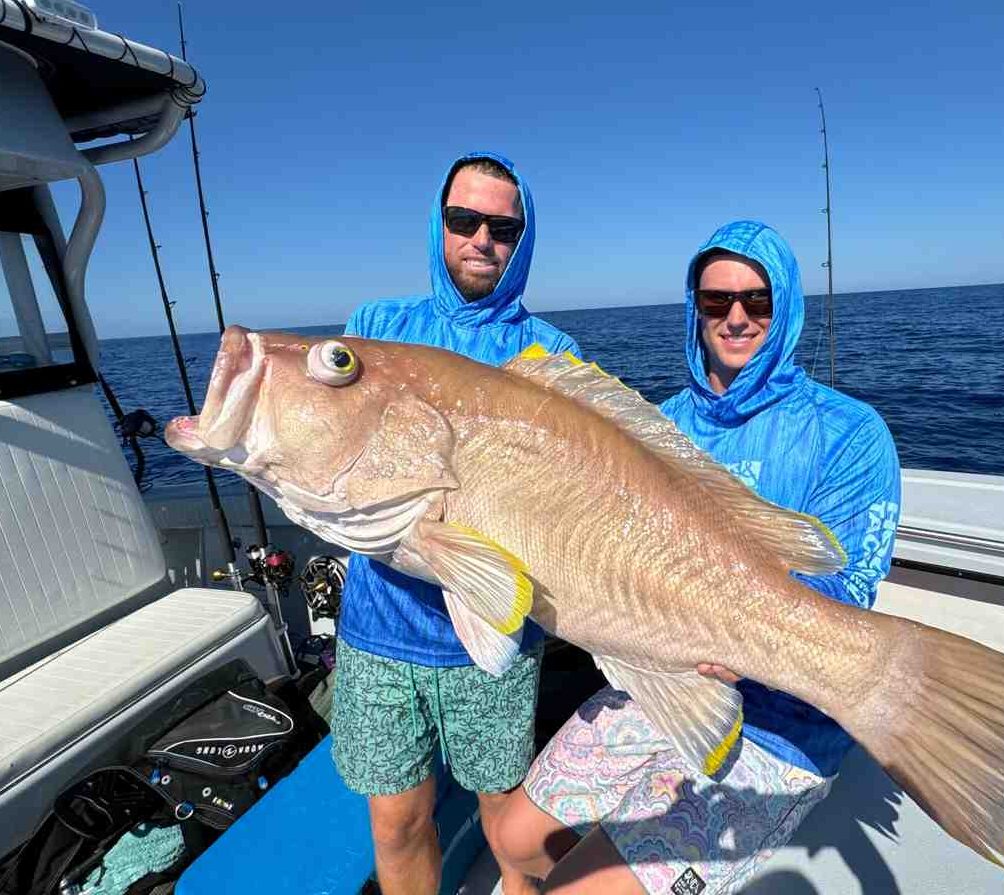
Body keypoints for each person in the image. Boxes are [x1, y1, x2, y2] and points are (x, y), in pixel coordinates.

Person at [491, 220, 901, 894]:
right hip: (661, 682)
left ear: (786, 304)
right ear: (695, 308)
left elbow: (849, 591)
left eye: (757, 300)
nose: (736, 317)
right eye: (716, 301)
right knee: (511, 838)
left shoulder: (850, 432)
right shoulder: (661, 423)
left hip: (784, 725)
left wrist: (730, 627)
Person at [331, 152, 580, 895]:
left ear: (523, 238)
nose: (481, 239)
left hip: (493, 635)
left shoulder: (553, 355)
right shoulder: (378, 328)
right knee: (396, 820)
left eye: (503, 227)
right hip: (377, 631)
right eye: (463, 220)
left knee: (507, 818)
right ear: (439, 225)